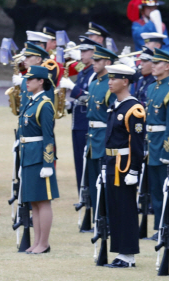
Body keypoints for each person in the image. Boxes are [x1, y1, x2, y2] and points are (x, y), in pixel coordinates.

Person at [103, 64, 146, 268]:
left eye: (114, 78)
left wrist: (134, 170)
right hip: (112, 163)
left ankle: (128, 255)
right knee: (114, 208)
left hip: (125, 166)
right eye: (109, 78)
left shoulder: (134, 109)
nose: (110, 82)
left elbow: (137, 145)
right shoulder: (116, 105)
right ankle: (120, 252)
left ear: (126, 81)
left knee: (126, 209)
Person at [17, 66, 59, 254]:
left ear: (41, 81)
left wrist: (48, 163)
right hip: (28, 155)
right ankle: (37, 242)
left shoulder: (45, 104)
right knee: (33, 201)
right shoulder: (31, 101)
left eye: (31, 79)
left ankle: (44, 243)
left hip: (39, 158)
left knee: (43, 201)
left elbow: (48, 136)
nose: (27, 82)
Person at [143, 48, 169, 240]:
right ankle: (160, 227)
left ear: (167, 66)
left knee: (168, 189)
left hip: (163, 146)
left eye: (157, 63)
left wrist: (167, 152)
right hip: (151, 144)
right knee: (156, 190)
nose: (153, 66)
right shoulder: (152, 88)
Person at [60, 37, 98, 193]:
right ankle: (82, 193)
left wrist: (71, 87)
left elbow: (90, 99)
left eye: (85, 51)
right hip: (78, 124)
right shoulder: (84, 71)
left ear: (94, 52)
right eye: (81, 51)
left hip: (87, 124)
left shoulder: (93, 74)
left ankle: (88, 194)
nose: (82, 54)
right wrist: (69, 105)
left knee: (85, 163)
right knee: (79, 163)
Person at [84, 46, 117, 213]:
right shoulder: (94, 83)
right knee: (92, 180)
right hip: (92, 136)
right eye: (93, 60)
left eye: (98, 60)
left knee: (103, 180)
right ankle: (98, 216)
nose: (93, 63)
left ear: (108, 62)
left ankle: (106, 218)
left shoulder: (109, 85)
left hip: (104, 136)